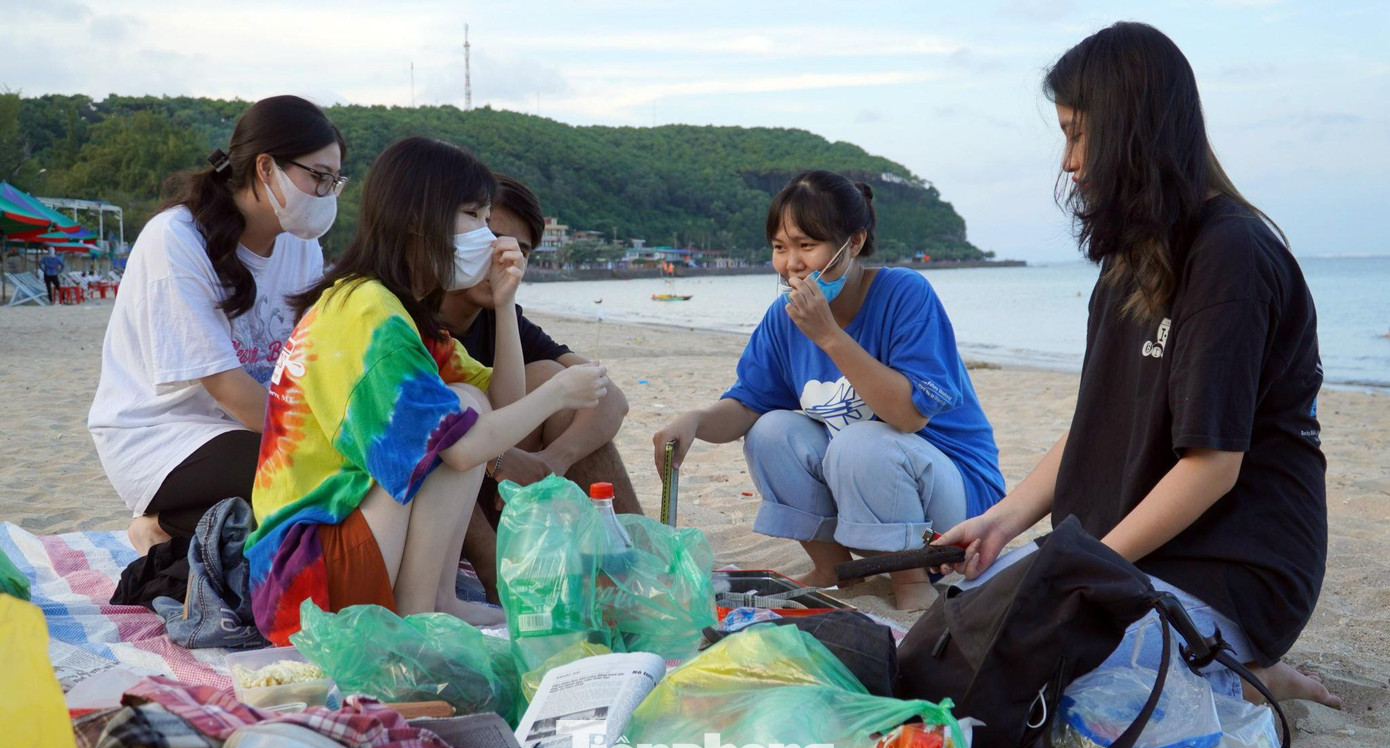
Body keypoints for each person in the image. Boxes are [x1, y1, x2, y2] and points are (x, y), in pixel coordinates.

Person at [934, 22, 1340, 708]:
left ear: (1132, 128)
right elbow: (1099, 425)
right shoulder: (1129, 261)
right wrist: (1002, 522)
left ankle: (1254, 679)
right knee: (962, 630)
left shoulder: (1231, 255)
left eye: (1077, 133)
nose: (1067, 161)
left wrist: (1084, 570)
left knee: (1053, 679)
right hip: (1135, 546)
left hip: (1234, 562)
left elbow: (1212, 465)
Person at [245, 137, 608, 643]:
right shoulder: (366, 312)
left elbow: (502, 404)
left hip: (329, 558)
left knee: (469, 401)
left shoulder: (399, 309)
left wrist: (504, 305)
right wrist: (559, 392)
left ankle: (437, 601)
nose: (487, 236)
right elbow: (462, 449)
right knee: (457, 415)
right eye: (473, 216)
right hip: (309, 582)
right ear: (419, 219)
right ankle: (421, 608)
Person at [653, 170, 1005, 610]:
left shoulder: (904, 294)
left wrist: (830, 336)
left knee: (859, 443)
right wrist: (696, 421)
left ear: (853, 243)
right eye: (780, 248)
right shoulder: (784, 318)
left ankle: (912, 585)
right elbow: (747, 403)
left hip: (958, 505)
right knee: (770, 430)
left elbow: (910, 416)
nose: (791, 264)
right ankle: (833, 568)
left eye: (806, 245)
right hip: (872, 495)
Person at [88, 95, 345, 559]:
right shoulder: (177, 238)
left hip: (248, 424)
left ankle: (190, 526)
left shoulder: (299, 244)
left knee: (337, 478)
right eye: (318, 177)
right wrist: (322, 441)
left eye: (335, 181)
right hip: (165, 432)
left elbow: (312, 355)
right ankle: (162, 522)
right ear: (266, 168)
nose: (327, 193)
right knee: (311, 473)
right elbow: (224, 385)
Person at [438, 174, 639, 600]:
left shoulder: (503, 316)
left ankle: (634, 569)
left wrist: (553, 460)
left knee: (557, 383)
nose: (502, 256)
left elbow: (611, 399)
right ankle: (499, 578)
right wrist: (499, 459)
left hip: (504, 495)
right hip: (440, 492)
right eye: (490, 236)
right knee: (468, 407)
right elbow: (428, 433)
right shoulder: (410, 314)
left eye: (519, 250)